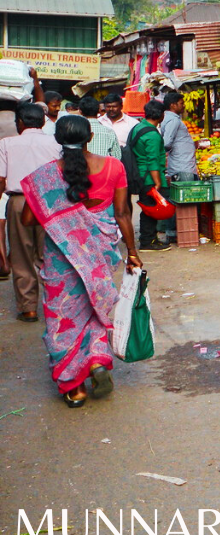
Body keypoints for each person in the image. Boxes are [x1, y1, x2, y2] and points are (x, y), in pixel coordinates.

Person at [20, 116, 139, 408]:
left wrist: (55, 209)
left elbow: (26, 219)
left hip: (61, 258)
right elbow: (123, 214)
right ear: (89, 138)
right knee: (94, 309)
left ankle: (75, 387)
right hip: (99, 253)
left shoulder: (46, 175)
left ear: (58, 140)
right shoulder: (114, 167)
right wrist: (133, 253)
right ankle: (97, 360)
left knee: (64, 317)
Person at [0, 103, 61, 322]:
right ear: (43, 122)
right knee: (50, 255)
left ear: (20, 122)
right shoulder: (56, 143)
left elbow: (0, 178)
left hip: (19, 200)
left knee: (21, 255)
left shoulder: (7, 143)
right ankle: (56, 304)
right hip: (50, 201)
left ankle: (29, 308)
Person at [130, 101, 170, 252]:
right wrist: (157, 182)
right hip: (148, 177)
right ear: (161, 115)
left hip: (140, 173)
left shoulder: (138, 127)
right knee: (151, 209)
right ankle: (148, 241)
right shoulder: (152, 134)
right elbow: (152, 160)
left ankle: (148, 238)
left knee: (147, 207)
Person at [159, 91, 197, 181]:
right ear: (173, 105)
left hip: (182, 164)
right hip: (182, 166)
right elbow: (167, 142)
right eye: (181, 103)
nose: (183, 105)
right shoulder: (173, 120)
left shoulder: (170, 118)